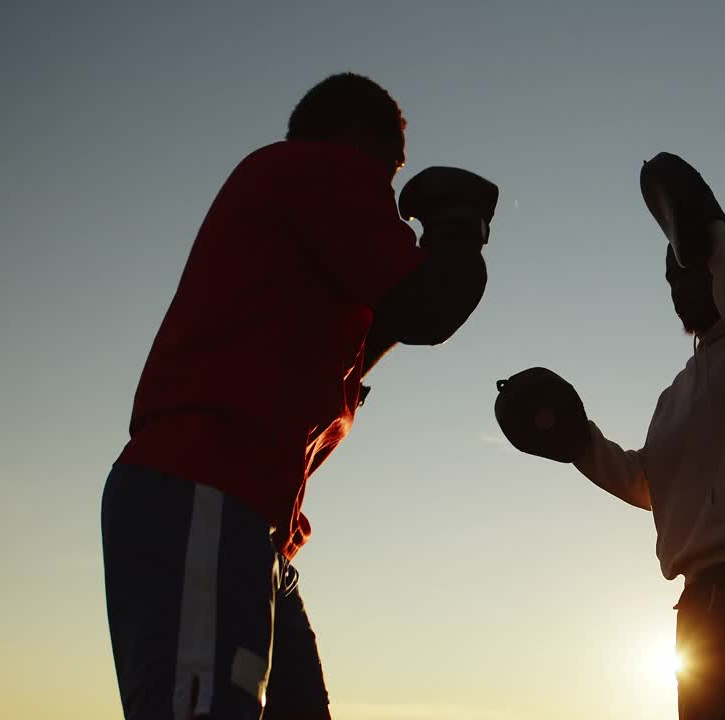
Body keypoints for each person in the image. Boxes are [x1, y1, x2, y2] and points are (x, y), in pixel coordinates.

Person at [101, 73, 498, 720]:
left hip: (244, 520)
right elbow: (429, 309)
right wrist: (459, 230)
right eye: (391, 169)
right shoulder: (317, 170)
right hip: (204, 489)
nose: (388, 194)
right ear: (359, 141)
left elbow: (393, 319)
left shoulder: (289, 219)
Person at [494, 153, 725, 719]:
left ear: (713, 269)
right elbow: (651, 484)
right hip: (703, 584)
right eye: (668, 280)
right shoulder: (678, 393)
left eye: (684, 273)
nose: (675, 290)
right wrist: (578, 444)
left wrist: (712, 237)